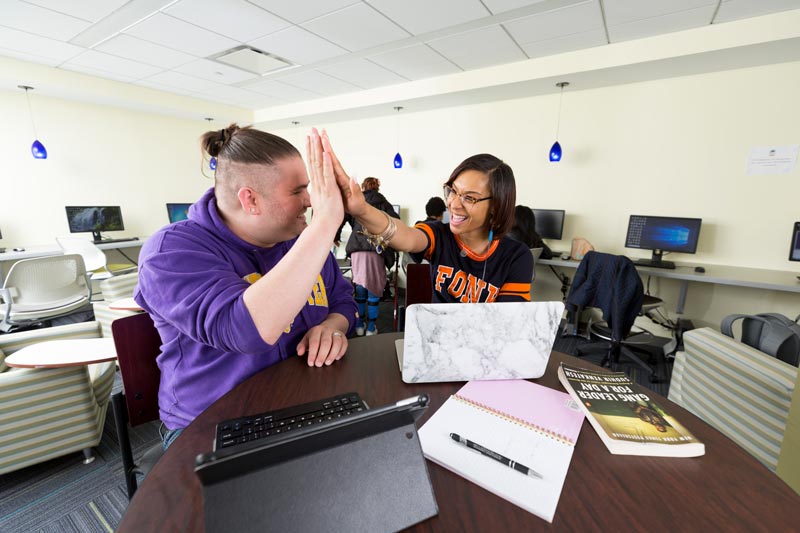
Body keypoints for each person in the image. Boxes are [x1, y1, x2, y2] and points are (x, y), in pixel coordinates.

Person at [135, 124, 357, 449]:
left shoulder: (298, 239)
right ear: (250, 199)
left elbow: (343, 300)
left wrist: (332, 326)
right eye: (298, 191)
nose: (310, 200)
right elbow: (244, 331)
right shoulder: (170, 252)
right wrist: (325, 225)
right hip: (212, 423)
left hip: (300, 402)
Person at [311, 130, 533, 303]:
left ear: (496, 205)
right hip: (436, 349)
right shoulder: (440, 235)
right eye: (452, 190)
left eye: (470, 197)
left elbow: (507, 327)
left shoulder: (516, 257)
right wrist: (361, 209)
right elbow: (405, 236)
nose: (454, 204)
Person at [337, 177, 399, 336]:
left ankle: (359, 325)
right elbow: (396, 221)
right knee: (374, 287)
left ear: (363, 187)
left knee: (359, 286)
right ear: (377, 187)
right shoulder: (382, 201)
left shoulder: (357, 201)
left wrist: (335, 236)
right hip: (375, 249)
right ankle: (371, 328)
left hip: (357, 248)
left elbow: (341, 217)